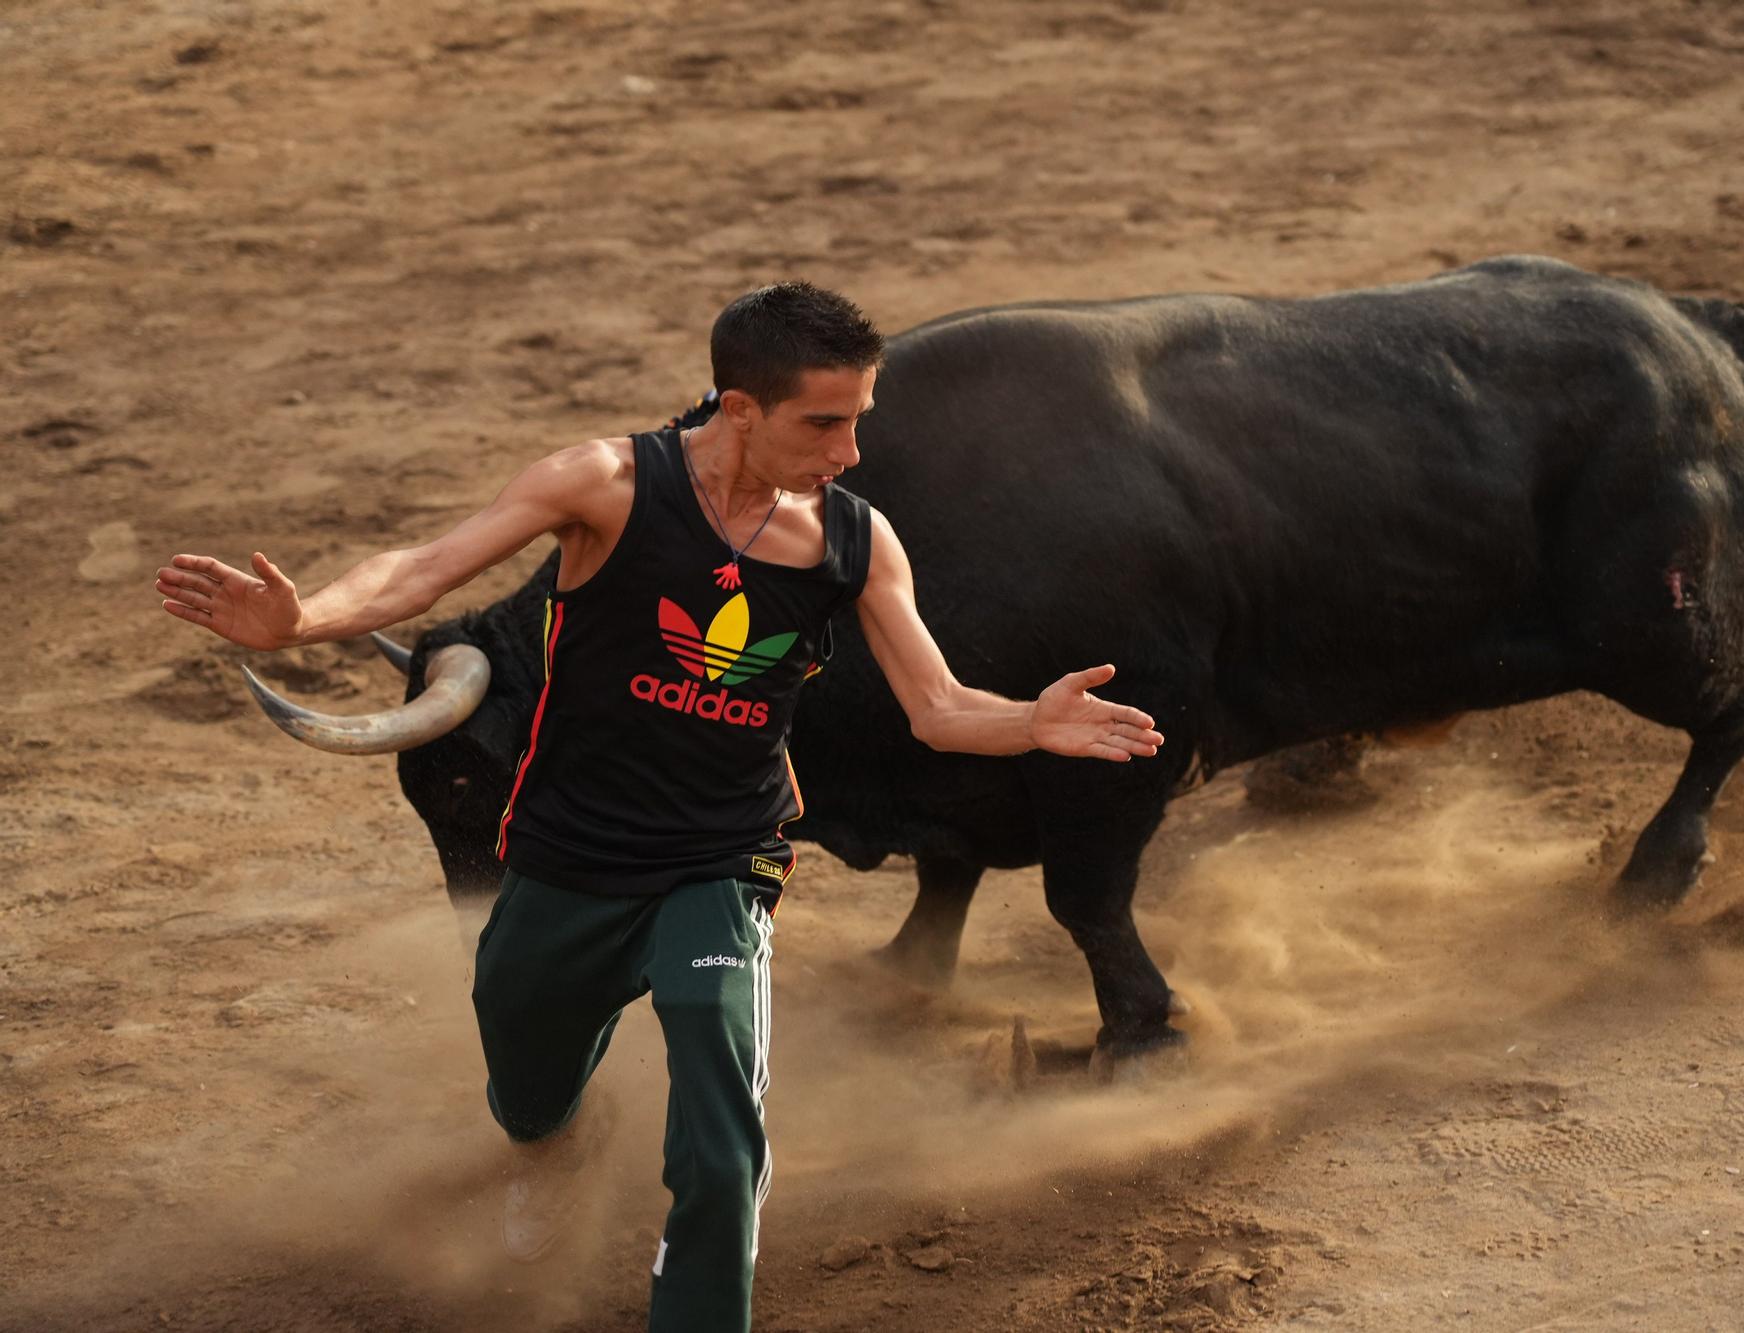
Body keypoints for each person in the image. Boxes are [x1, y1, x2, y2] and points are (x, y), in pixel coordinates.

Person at [156, 281, 1164, 1332]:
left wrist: (1028, 723)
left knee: (721, 1149)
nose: (851, 450)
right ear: (738, 409)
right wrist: (304, 618)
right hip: (565, 856)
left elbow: (940, 707)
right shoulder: (603, 484)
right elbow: (426, 565)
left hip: (721, 864)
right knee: (527, 1082)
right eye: (824, 422)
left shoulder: (853, 545)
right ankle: (552, 1145)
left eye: (859, 417)